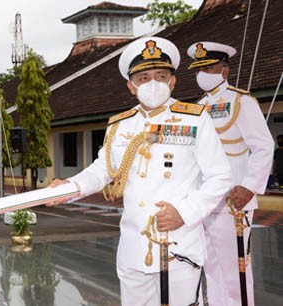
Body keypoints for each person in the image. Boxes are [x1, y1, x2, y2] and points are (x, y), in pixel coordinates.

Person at [48, 37, 232, 306]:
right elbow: (103, 170)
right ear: (131, 86)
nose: (153, 83)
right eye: (144, 78)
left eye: (160, 75)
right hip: (134, 247)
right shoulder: (120, 125)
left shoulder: (194, 119)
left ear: (172, 81)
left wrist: (185, 213)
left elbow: (220, 175)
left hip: (177, 244)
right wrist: (69, 187)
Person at [187, 41, 274, 306]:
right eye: (199, 68)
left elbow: (263, 146)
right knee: (210, 267)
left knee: (235, 269)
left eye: (210, 67)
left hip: (233, 200)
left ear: (224, 70)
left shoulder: (241, 101)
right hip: (203, 201)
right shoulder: (197, 107)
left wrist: (249, 187)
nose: (204, 73)